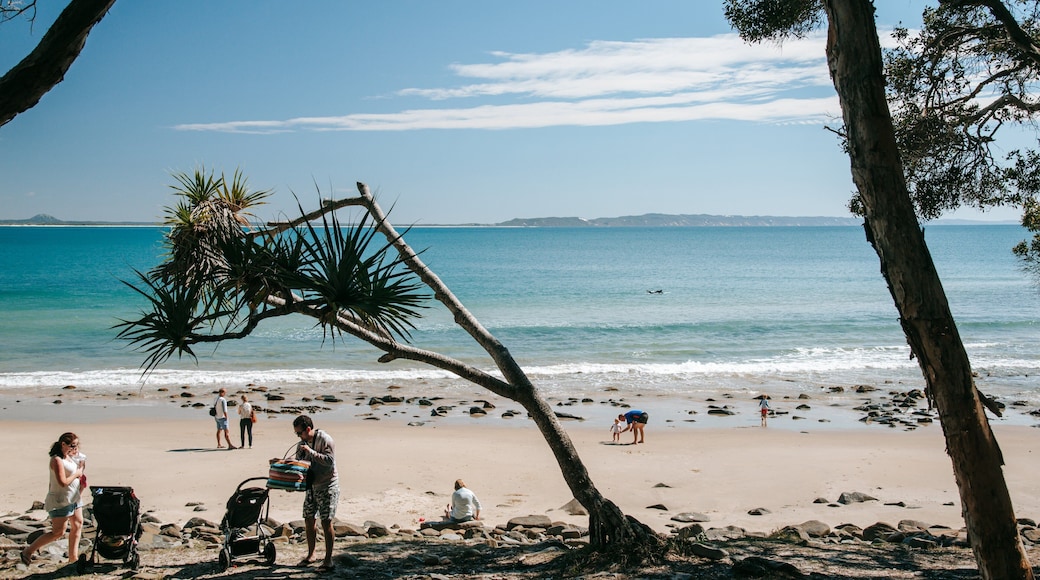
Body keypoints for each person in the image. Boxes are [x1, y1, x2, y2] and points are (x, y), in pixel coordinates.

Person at [21, 432, 87, 566]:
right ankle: (28, 551)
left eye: (77, 445)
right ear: (63, 444)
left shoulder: (69, 457)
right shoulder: (56, 460)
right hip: (60, 500)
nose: (75, 448)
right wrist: (77, 474)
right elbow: (62, 482)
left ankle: (73, 558)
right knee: (58, 532)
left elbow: (76, 472)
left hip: (74, 498)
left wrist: (80, 471)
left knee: (78, 524)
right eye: (72, 445)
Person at [294, 415, 339, 570]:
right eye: (297, 434)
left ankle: (328, 560)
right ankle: (311, 554)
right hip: (311, 487)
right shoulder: (302, 443)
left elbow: (329, 461)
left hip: (328, 485)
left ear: (308, 429)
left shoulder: (325, 439)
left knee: (326, 521)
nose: (299, 437)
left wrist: (311, 452)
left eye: (299, 433)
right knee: (308, 518)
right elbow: (298, 464)